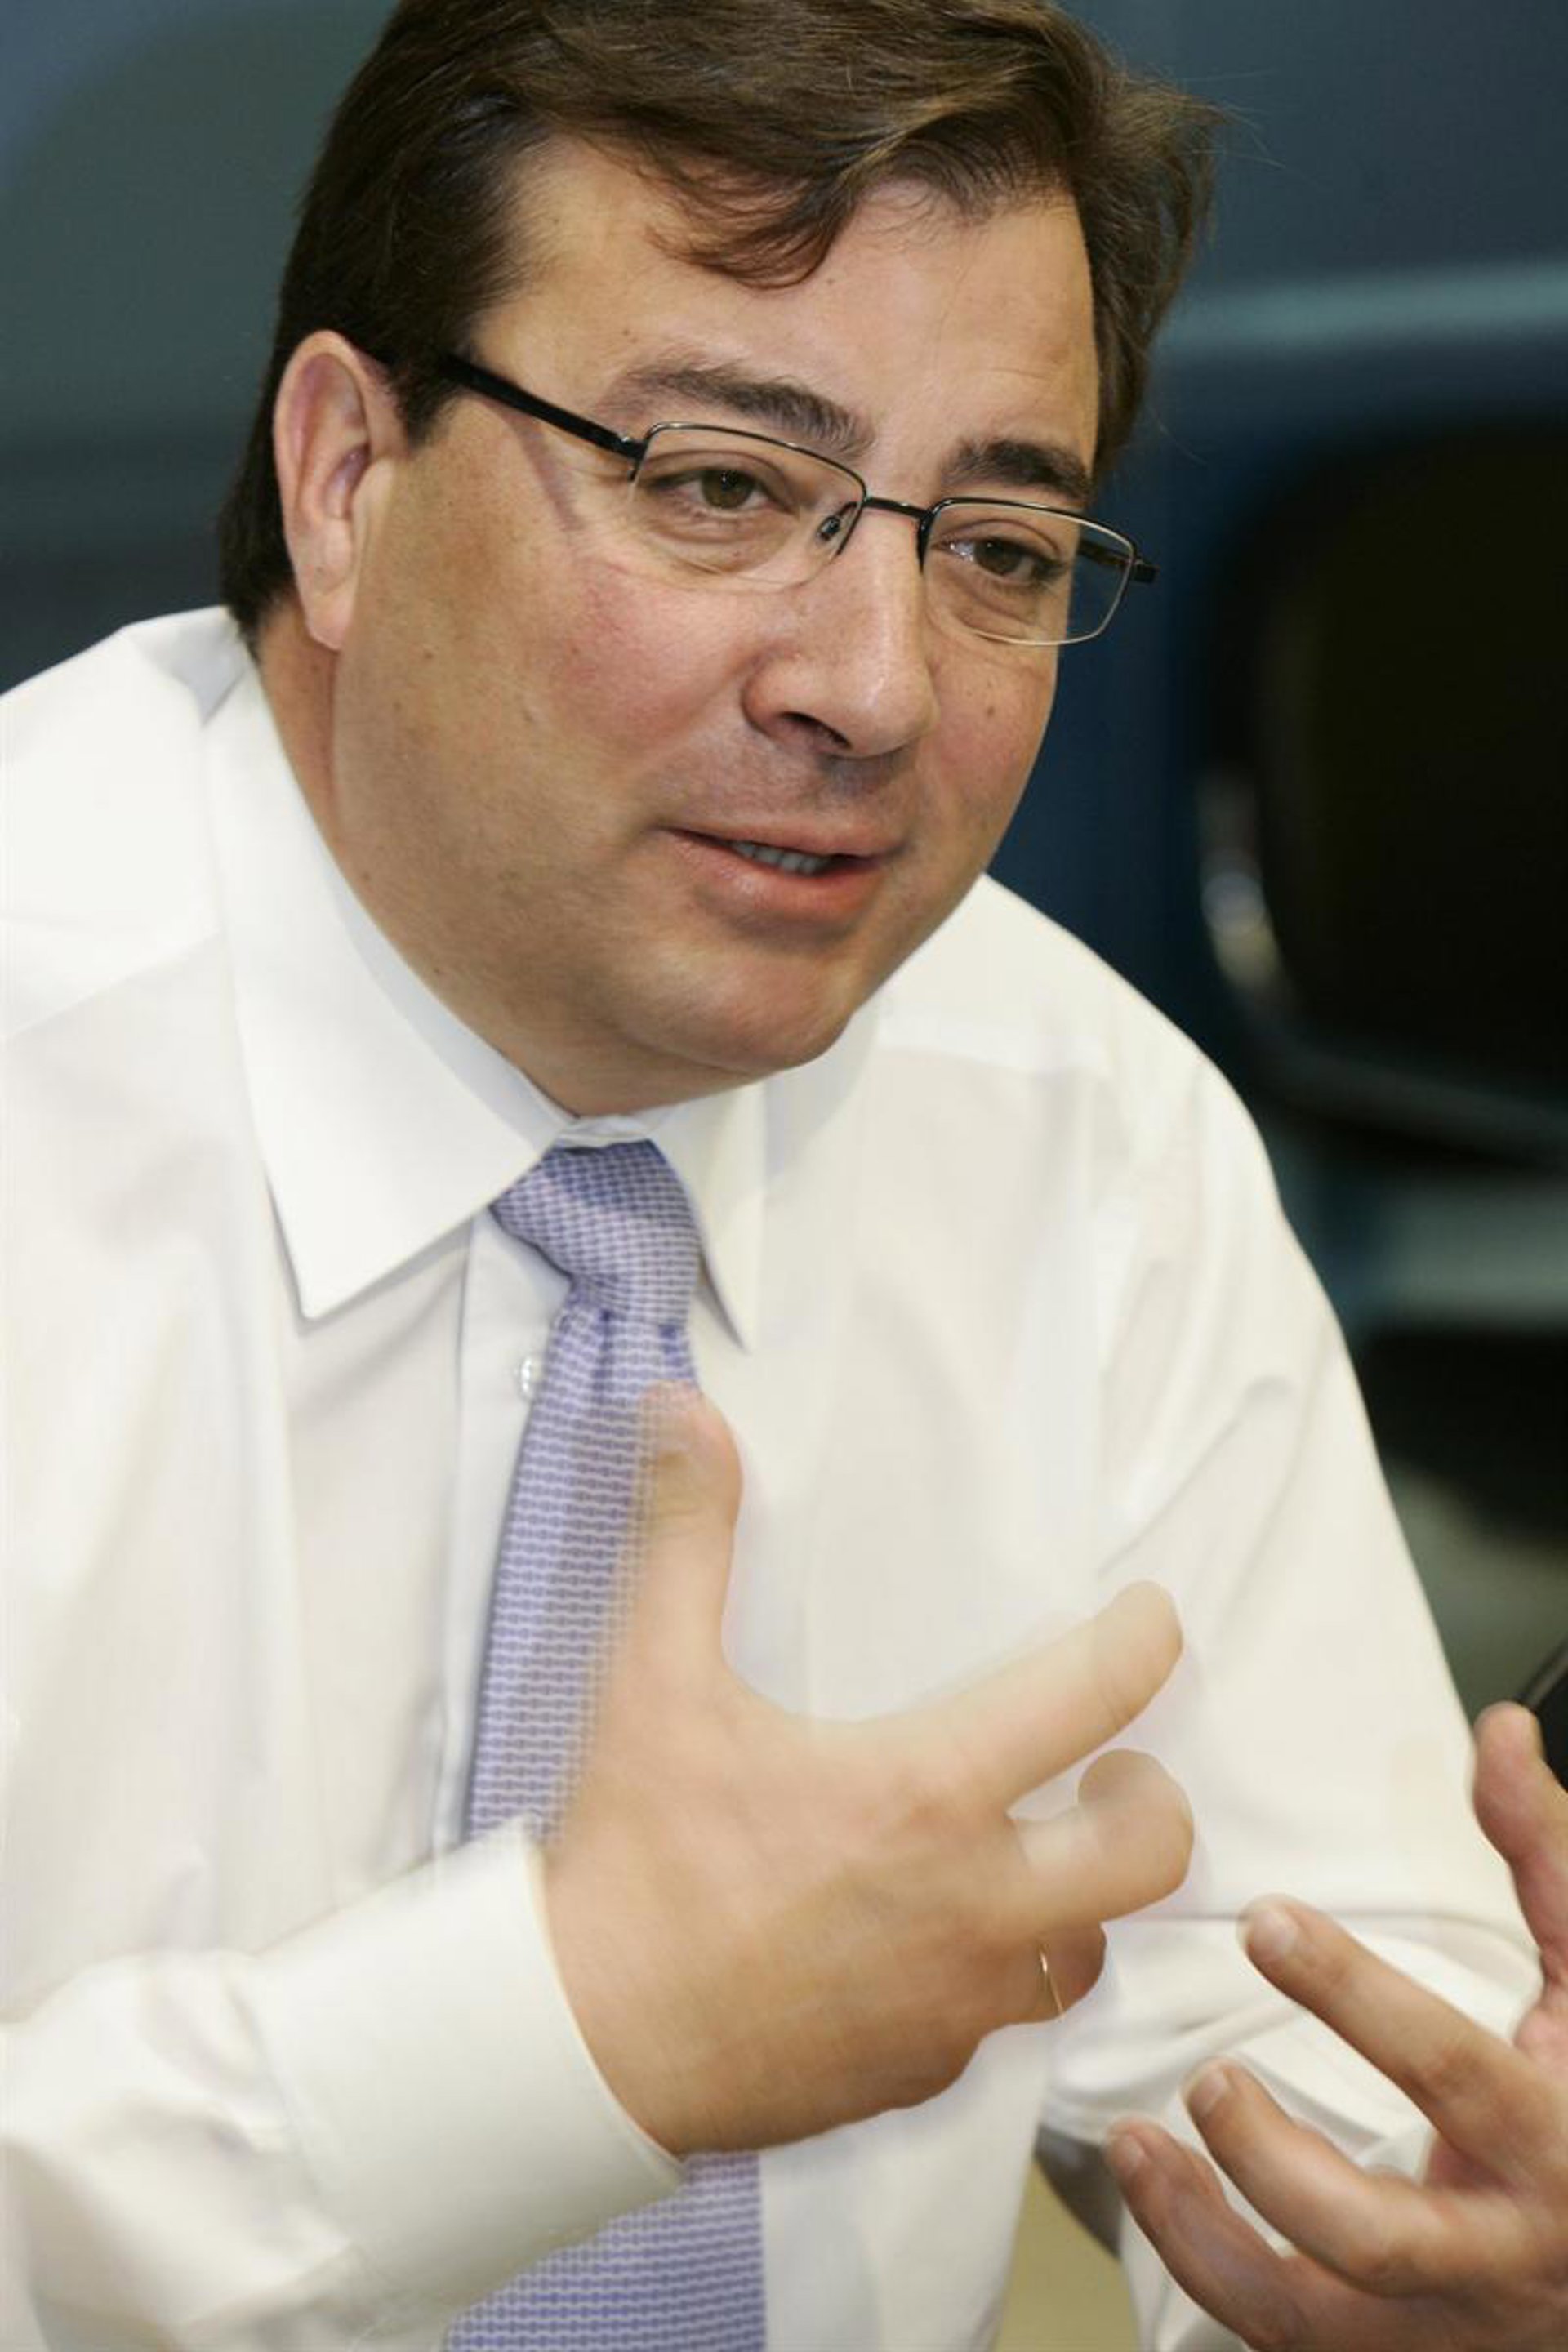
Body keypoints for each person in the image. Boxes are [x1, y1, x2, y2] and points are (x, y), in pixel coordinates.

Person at [2, 2, 1564, 2345]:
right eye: (723, 487)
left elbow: (1327, 2063)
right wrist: (547, 2044)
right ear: (346, 478)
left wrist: (1451, 2238)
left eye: (999, 544)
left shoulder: (1085, 1135)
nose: (876, 686)